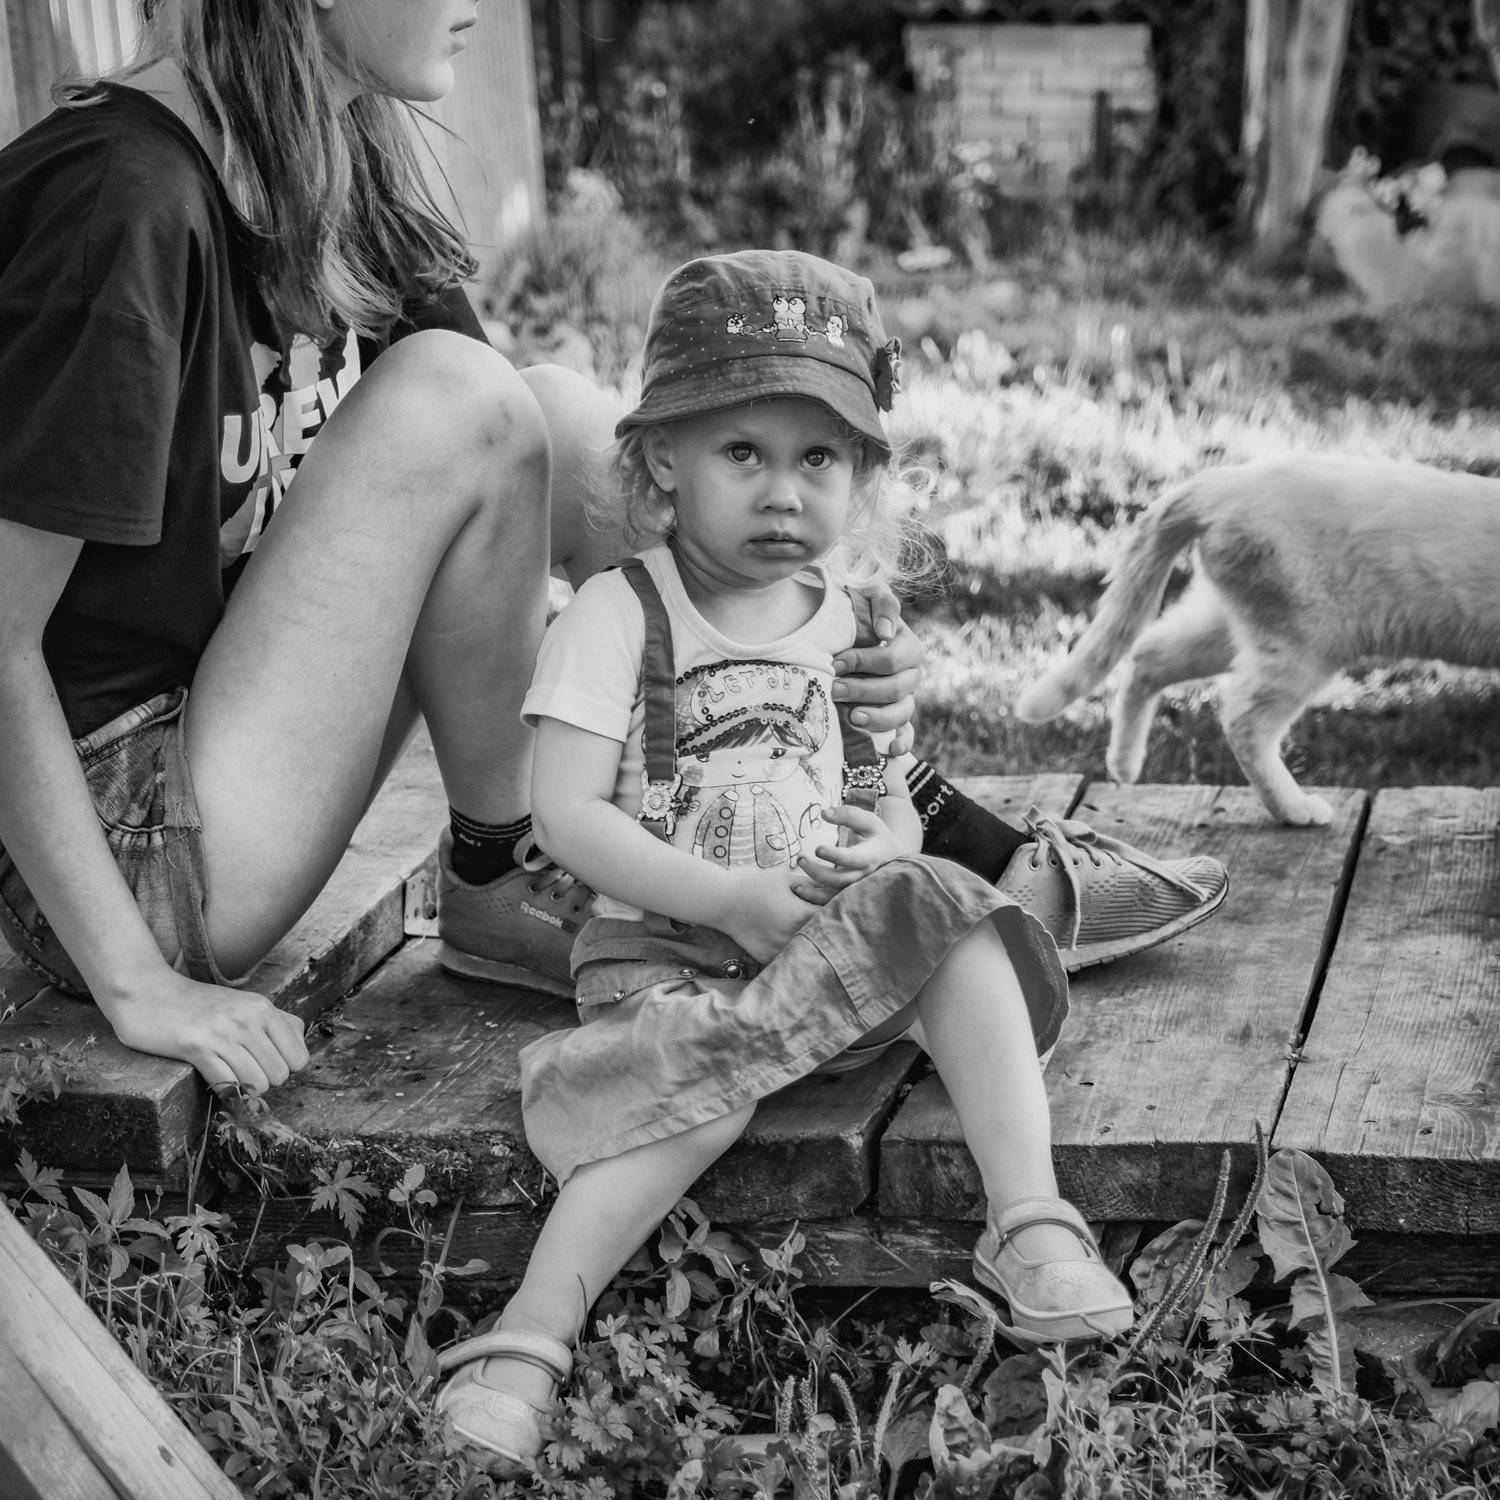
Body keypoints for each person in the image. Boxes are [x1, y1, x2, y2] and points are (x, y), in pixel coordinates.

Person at [0, 0, 1221, 1102]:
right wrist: (137, 986)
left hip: (229, 735)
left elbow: (519, 483)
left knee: (562, 419)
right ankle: (529, 864)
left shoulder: (322, 146)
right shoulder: (120, 202)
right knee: (465, 401)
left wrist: (825, 657)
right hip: (125, 860)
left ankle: (865, 804)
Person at [433, 249, 1135, 1469]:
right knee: (698, 1097)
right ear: (663, 459)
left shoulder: (852, 625)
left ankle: (1029, 1217)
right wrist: (728, 899)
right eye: (742, 453)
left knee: (954, 912)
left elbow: (886, 802)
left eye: (818, 459)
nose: (782, 493)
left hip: (820, 948)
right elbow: (567, 816)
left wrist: (885, 843)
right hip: (667, 959)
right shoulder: (621, 612)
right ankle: (529, 1338)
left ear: (860, 474)